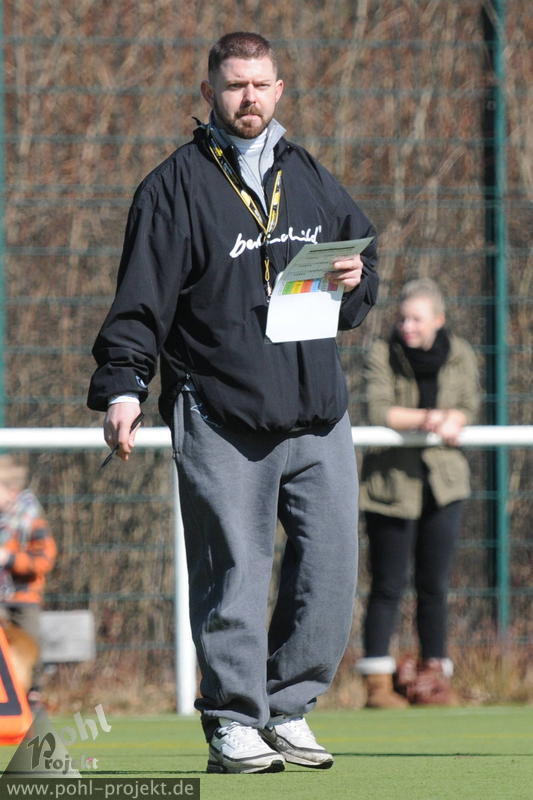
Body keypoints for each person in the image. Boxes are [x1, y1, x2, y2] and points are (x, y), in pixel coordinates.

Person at [88, 32, 378, 773]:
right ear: (209, 92)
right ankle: (233, 720)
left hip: (318, 411)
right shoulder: (172, 187)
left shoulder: (308, 175)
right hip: (220, 410)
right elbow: (139, 303)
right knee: (234, 575)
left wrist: (356, 281)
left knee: (330, 571)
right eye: (234, 85)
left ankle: (289, 707)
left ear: (279, 89)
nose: (248, 97)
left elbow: (360, 267)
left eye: (260, 83)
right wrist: (123, 387)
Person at [356, 278, 479, 708]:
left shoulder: (461, 353)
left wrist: (456, 418)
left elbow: (468, 405)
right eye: (402, 319)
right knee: (387, 584)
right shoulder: (381, 353)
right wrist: (432, 419)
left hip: (444, 484)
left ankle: (434, 677)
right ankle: (377, 682)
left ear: (438, 320)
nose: (407, 327)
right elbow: (379, 410)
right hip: (390, 485)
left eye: (416, 319)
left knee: (434, 585)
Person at [0, 455, 57, 696]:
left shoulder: (30, 520)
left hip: (24, 599)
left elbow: (44, 560)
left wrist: (10, 559)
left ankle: (34, 694)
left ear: (12, 490)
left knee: (30, 646)